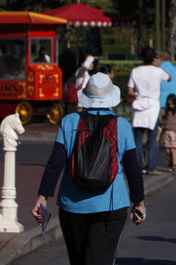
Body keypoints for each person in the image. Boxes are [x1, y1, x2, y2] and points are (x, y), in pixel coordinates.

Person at [33, 73, 146, 265]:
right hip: (111, 205)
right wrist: (139, 202)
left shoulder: (69, 121)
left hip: (72, 205)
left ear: (86, 96)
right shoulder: (122, 125)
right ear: (112, 97)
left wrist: (42, 197)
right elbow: (133, 168)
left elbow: (55, 164)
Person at [128, 47, 171, 175]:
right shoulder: (158, 71)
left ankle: (138, 165)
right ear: (154, 58)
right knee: (152, 138)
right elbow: (169, 78)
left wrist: (138, 94)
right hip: (153, 107)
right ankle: (151, 167)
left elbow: (130, 90)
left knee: (138, 137)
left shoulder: (135, 71)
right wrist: (158, 66)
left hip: (139, 106)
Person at [159, 94, 176, 173]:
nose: (170, 106)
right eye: (169, 104)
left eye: (172, 104)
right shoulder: (168, 111)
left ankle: (174, 165)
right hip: (166, 132)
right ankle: (169, 163)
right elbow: (163, 120)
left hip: (175, 132)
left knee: (173, 150)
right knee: (167, 150)